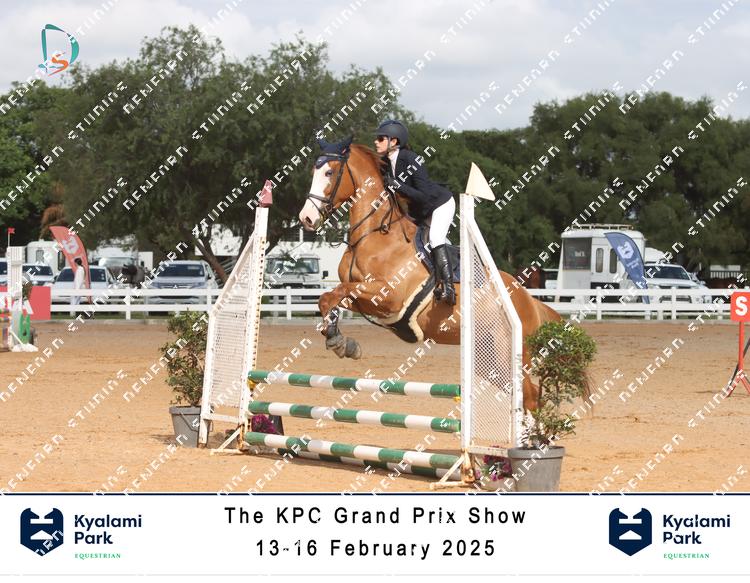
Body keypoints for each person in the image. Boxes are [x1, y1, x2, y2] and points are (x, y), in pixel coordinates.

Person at [373, 119, 456, 305]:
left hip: (439, 204)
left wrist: (398, 185)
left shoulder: (411, 159)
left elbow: (424, 196)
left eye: (380, 138)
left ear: (394, 141)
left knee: (435, 238)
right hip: (419, 211)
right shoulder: (386, 163)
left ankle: (449, 288)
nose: (376, 142)